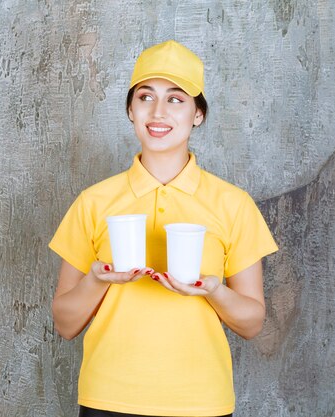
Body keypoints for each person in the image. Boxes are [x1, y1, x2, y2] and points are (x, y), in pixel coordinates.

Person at [49, 40, 278, 417]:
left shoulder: (233, 204)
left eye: (176, 99)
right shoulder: (93, 202)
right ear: (130, 109)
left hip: (201, 401)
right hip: (108, 397)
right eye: (145, 97)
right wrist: (97, 280)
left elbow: (252, 323)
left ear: (198, 114)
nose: (158, 112)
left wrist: (214, 290)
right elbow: (65, 323)